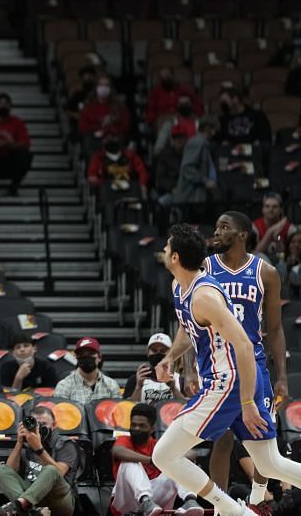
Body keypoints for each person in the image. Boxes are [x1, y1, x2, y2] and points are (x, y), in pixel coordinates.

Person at [152, 223, 301, 516]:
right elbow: (188, 329)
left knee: (164, 455)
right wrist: (171, 357)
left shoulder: (204, 296)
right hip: (238, 380)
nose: (164, 249)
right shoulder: (180, 287)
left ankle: (237, 512)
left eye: (168, 246)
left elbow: (245, 346)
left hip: (229, 383)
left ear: (176, 258)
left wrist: (246, 403)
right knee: (270, 463)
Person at [201, 211, 289, 505]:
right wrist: (187, 368)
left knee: (264, 445)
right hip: (219, 367)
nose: (216, 232)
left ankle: (257, 499)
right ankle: (220, 507)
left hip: (254, 367)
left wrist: (282, 376)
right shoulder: (205, 268)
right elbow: (188, 322)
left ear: (242, 234)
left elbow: (274, 330)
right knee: (222, 439)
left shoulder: (266, 273)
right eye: (216, 226)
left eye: (223, 227)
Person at [0, 406, 79, 516]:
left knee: (51, 470)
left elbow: (58, 474)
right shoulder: (28, 441)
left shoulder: (65, 444)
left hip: (59, 499)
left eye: (44, 424)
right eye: (36, 425)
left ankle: (16, 507)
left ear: (54, 424)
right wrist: (19, 443)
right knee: (2, 470)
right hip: (33, 497)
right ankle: (30, 511)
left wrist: (39, 448)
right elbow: (10, 471)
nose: (39, 428)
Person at [110, 403, 203, 516]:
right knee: (130, 463)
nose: (136, 429)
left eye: (142, 426)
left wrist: (170, 455)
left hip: (156, 504)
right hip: (126, 501)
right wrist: (151, 460)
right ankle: (145, 501)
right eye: (133, 425)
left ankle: (190, 499)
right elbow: (117, 451)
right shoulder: (124, 440)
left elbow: (191, 454)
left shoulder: (157, 445)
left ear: (151, 429)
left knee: (179, 463)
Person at [174, 115, 218, 223]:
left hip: (198, 199)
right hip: (191, 199)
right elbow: (187, 168)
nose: (215, 131)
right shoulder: (197, 142)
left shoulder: (203, 143)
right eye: (213, 128)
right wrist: (205, 181)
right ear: (207, 128)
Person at [52, 337, 121, 404]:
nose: (86, 357)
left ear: (99, 357)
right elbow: (60, 413)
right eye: (81, 354)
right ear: (76, 358)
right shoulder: (64, 386)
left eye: (91, 354)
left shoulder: (112, 385)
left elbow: (117, 413)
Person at [123, 333, 184, 404]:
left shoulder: (180, 380)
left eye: (163, 351)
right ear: (147, 353)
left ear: (171, 353)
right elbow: (127, 409)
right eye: (154, 351)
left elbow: (188, 409)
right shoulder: (135, 379)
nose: (158, 354)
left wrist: (174, 389)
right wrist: (138, 387)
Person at [86, 133, 149, 200]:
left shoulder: (131, 155)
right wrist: (101, 182)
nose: (110, 140)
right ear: (103, 140)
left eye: (113, 137)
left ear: (119, 138)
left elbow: (142, 171)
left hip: (131, 189)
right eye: (107, 138)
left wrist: (142, 184)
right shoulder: (98, 157)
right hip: (108, 192)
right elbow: (91, 176)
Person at [253, 193, 297, 259]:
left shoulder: (290, 228)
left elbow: (285, 253)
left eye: (275, 206)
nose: (271, 209)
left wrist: (278, 238)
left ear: (281, 209)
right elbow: (256, 252)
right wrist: (270, 231)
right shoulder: (255, 226)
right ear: (263, 209)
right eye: (267, 206)